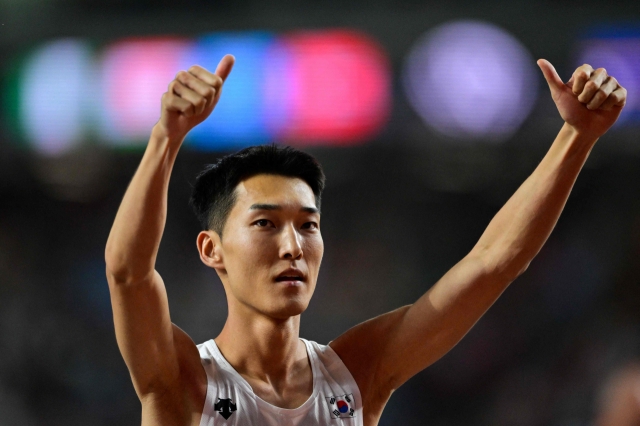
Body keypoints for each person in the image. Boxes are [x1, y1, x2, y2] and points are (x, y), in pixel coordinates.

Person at [104, 54, 627, 426]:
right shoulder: (183, 383)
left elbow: (493, 264)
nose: (293, 246)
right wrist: (166, 138)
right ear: (211, 249)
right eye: (265, 223)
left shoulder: (355, 375)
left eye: (308, 225)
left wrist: (575, 137)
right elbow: (128, 272)